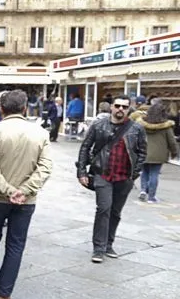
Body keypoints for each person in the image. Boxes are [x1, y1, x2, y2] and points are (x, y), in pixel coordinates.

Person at [0, 91, 53, 299]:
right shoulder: (40, 133)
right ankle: (3, 294)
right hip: (26, 200)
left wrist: (7, 189)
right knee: (16, 244)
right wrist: (24, 190)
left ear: (1, 109)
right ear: (25, 108)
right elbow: (45, 167)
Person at [76, 95, 147, 264]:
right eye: (117, 106)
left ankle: (109, 244)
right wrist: (82, 172)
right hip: (103, 174)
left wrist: (135, 173)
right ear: (112, 107)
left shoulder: (136, 128)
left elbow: (142, 152)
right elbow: (86, 147)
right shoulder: (99, 125)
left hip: (124, 176)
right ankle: (98, 248)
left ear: (129, 108)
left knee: (115, 212)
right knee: (103, 209)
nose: (120, 109)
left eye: (124, 106)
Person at [134, 100, 179, 203]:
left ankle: (143, 190)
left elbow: (136, 137)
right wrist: (174, 152)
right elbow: (171, 141)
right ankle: (151, 197)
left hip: (144, 151)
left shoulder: (142, 124)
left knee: (144, 172)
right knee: (154, 174)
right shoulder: (166, 126)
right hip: (159, 154)